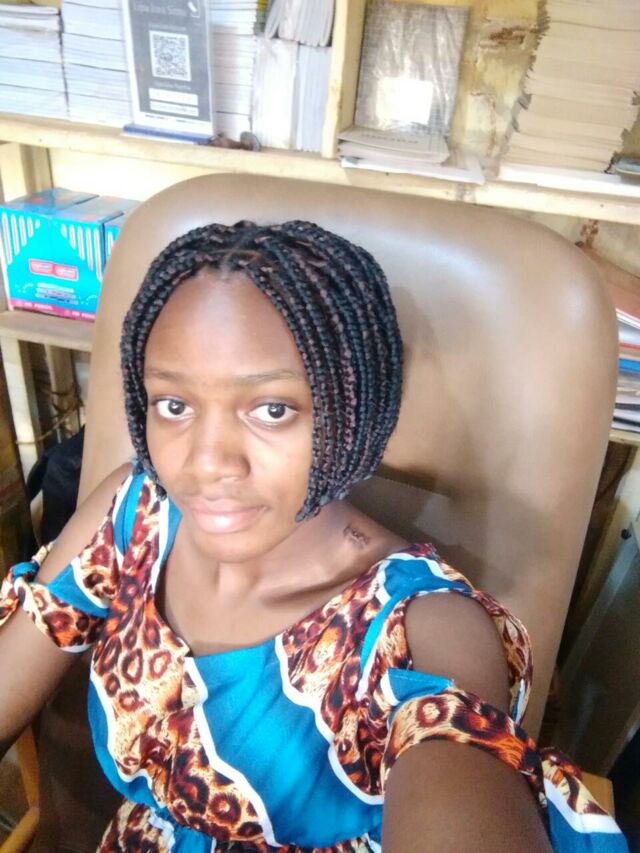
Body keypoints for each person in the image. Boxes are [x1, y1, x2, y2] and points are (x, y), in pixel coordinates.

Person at [0, 221, 627, 852]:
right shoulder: (132, 515)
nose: (206, 463)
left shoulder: (421, 627)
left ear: (353, 415)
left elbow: (459, 768)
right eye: (174, 405)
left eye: (272, 409)